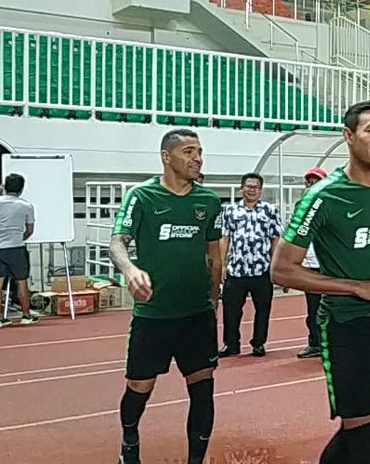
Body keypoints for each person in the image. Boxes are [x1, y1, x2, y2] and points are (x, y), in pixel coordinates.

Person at [271, 100, 370, 464]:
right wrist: (357, 287)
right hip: (343, 323)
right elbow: (282, 270)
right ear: (348, 136)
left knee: (364, 421)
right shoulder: (322, 196)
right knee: (363, 425)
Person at [109, 129, 223, 464]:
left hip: (196, 316)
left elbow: (214, 255)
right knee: (139, 388)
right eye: (189, 151)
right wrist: (130, 270)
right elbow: (118, 242)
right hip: (154, 316)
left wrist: (214, 300)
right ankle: (130, 440)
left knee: (202, 388)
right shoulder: (141, 197)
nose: (197, 158)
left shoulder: (209, 201)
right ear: (166, 156)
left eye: (199, 152)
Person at [218, 173, 283, 358]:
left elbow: (276, 238)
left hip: (261, 269)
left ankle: (258, 343)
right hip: (236, 270)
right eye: (248, 186)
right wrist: (222, 265)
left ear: (260, 190)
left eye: (256, 187)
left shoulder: (270, 211)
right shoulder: (230, 210)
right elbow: (225, 237)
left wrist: (275, 265)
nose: (252, 189)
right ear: (242, 188)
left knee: (262, 310)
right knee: (231, 311)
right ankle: (231, 344)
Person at [0, 173, 39, 328]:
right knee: (21, 281)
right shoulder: (26, 206)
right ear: (21, 189)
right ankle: (26, 315)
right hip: (16, 247)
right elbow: (29, 230)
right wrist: (20, 238)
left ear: (5, 186)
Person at [296, 166, 328, 359]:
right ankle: (315, 343)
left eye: (316, 181)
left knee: (330, 307)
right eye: (309, 182)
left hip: (329, 266)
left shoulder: (331, 205)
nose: (312, 185)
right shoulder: (302, 208)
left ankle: (332, 343)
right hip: (310, 267)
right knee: (313, 309)